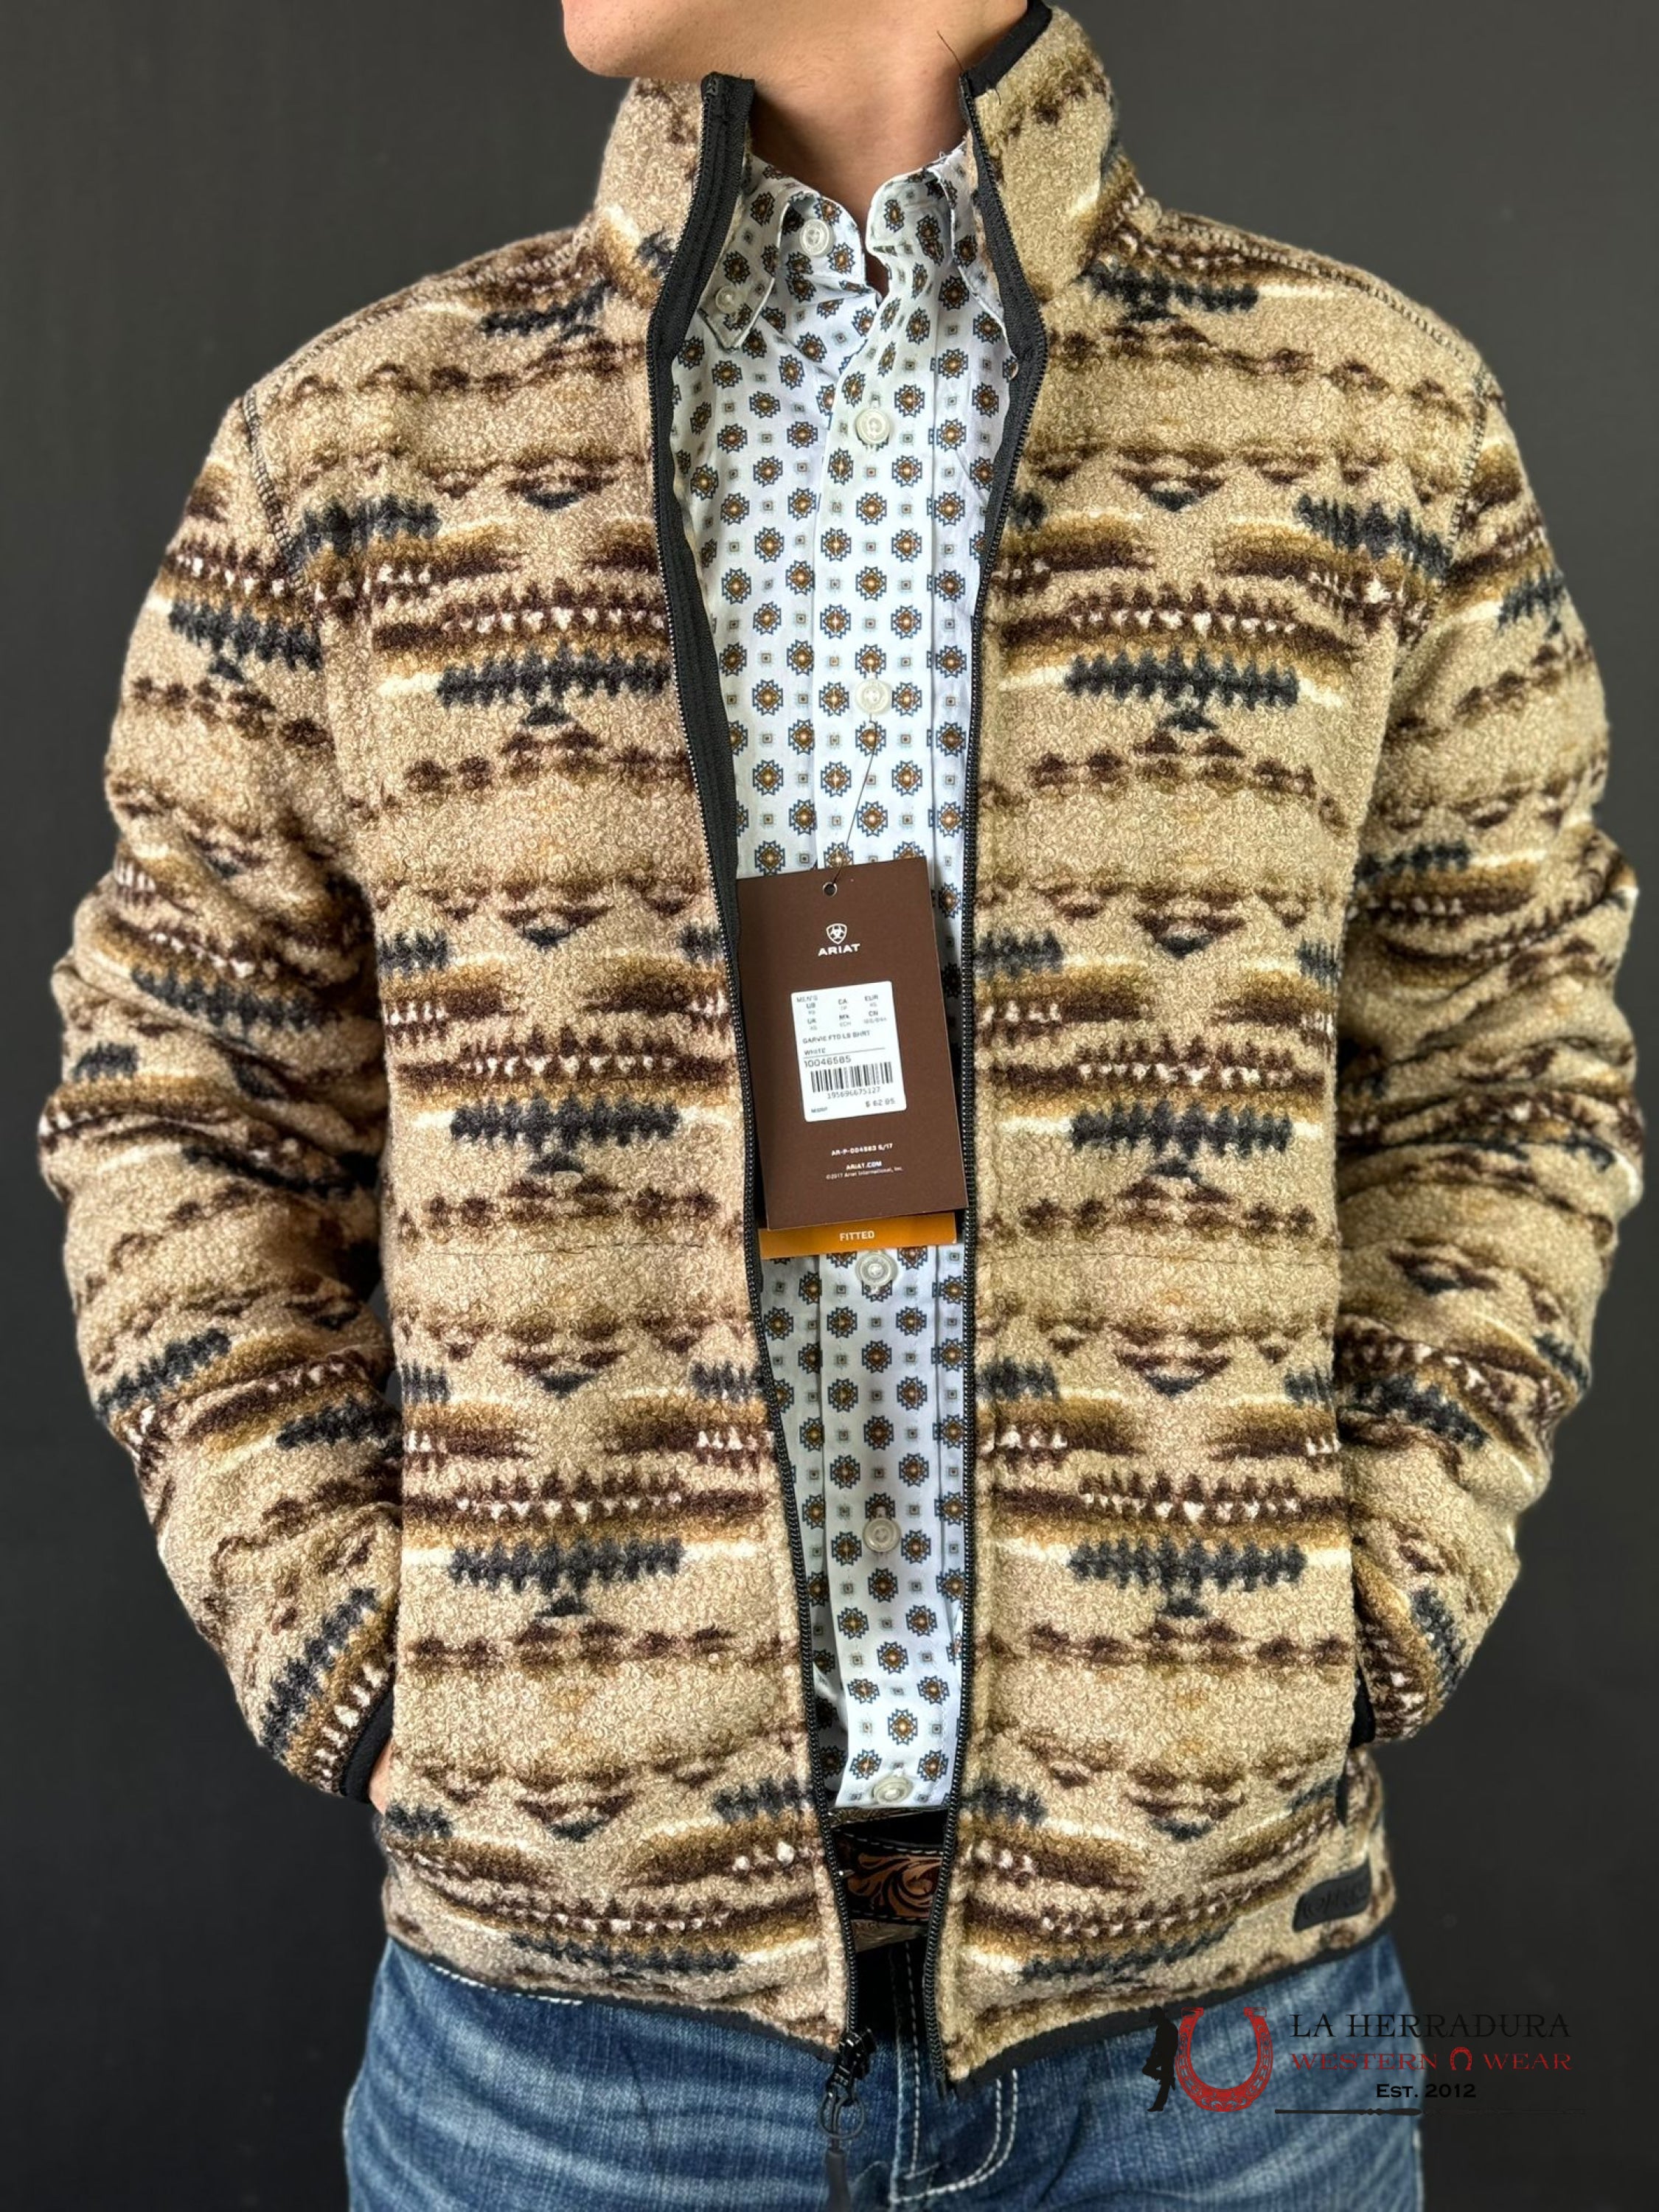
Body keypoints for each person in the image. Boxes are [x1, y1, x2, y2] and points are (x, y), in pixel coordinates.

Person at [38, 2, 1641, 2205]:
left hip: (1216, 2042)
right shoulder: (355, 456)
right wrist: (366, 1652)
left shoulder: (1366, 422)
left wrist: (1362, 1614)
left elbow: (1505, 1066)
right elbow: (181, 1094)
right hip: (567, 2066)